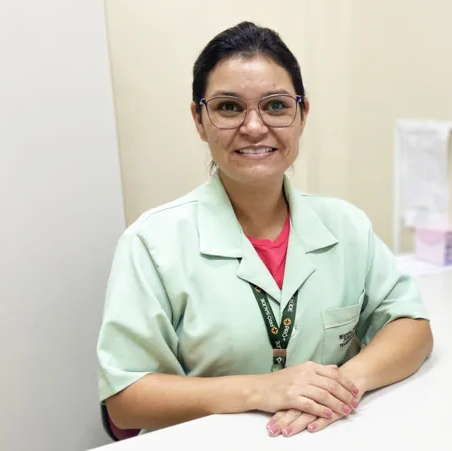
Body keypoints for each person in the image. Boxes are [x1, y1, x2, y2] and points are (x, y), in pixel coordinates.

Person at [96, 21, 433, 439]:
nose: (254, 127)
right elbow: (126, 400)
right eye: (228, 107)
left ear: (301, 114)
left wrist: (343, 385)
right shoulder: (151, 242)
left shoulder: (346, 225)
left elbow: (412, 326)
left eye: (275, 106)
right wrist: (263, 389)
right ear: (200, 120)